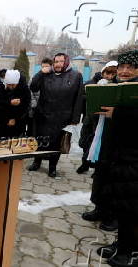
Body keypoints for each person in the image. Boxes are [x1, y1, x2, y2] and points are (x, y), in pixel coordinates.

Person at [93, 50, 138, 267]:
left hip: (134, 159)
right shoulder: (120, 88)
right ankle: (122, 244)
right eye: (122, 67)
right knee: (122, 206)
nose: (125, 71)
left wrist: (116, 114)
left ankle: (129, 253)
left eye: (130, 67)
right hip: (120, 156)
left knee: (131, 208)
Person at [28, 53, 84, 178]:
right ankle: (37, 162)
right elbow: (33, 87)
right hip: (43, 115)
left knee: (56, 144)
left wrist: (75, 118)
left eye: (61, 61)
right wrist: (40, 73)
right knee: (40, 141)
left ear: (67, 62)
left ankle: (52, 167)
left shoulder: (76, 76)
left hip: (61, 117)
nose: (58, 64)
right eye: (56, 61)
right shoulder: (46, 74)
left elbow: (79, 98)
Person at [80, 61, 119, 232]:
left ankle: (112, 215)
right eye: (107, 72)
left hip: (117, 139)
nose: (111, 75)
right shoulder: (97, 85)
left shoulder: (126, 90)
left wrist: (115, 113)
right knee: (100, 174)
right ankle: (99, 208)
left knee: (114, 178)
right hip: (100, 131)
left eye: (114, 72)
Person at [77, 61, 118, 175]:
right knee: (86, 142)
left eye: (112, 74)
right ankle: (84, 164)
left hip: (105, 120)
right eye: (107, 73)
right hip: (90, 118)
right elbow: (83, 95)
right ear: (103, 72)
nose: (109, 76)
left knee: (100, 144)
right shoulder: (92, 82)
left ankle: (97, 167)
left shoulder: (116, 86)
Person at [0, 70, 31, 139]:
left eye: (13, 84)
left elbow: (26, 105)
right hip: (3, 121)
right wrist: (10, 102)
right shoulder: (1, 87)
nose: (11, 86)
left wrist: (15, 119)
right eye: (9, 84)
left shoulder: (24, 89)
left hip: (19, 122)